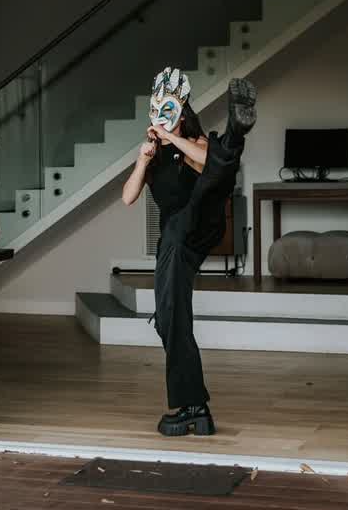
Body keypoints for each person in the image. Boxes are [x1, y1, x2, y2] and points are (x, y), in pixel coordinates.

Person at [122, 67, 256, 436]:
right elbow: (128, 197)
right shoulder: (154, 156)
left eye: (168, 112)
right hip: (175, 241)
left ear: (181, 114)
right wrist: (144, 158)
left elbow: (206, 162)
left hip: (198, 220)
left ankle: (234, 135)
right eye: (156, 112)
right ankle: (195, 408)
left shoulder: (192, 143)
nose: (160, 118)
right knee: (168, 318)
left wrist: (171, 136)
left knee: (216, 168)